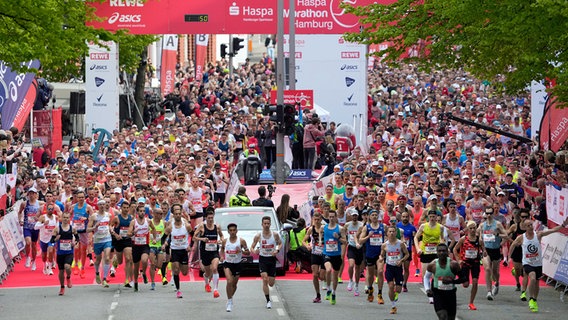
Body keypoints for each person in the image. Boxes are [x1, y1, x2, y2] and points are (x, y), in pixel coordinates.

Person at [509, 217, 568, 312]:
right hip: (527, 263)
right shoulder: (521, 238)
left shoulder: (538, 235)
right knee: (532, 277)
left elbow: (552, 230)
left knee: (536, 282)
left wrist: (563, 225)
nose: (530, 227)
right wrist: (509, 257)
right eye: (528, 226)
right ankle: (531, 298)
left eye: (531, 225)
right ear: (524, 227)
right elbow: (512, 245)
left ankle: (534, 300)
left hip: (538, 263)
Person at [251, 216, 283, 309]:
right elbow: (252, 247)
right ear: (262, 224)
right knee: (264, 279)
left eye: (268, 223)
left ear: (270, 224)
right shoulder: (258, 236)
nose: (266, 225)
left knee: (271, 283)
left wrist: (277, 250)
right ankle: (268, 300)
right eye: (264, 223)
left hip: (272, 259)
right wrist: (254, 251)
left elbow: (280, 243)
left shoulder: (275, 234)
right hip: (263, 259)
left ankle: (270, 285)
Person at [162, 203, 193, 298]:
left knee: (184, 272)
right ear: (174, 215)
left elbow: (194, 236)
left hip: (183, 250)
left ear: (181, 214)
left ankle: (179, 267)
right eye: (176, 214)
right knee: (175, 270)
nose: (178, 215)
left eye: (179, 213)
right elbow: (163, 237)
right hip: (174, 250)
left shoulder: (186, 225)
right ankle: (178, 290)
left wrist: (190, 246)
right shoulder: (170, 227)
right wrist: (163, 244)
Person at [414, 209, 445, 303]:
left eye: (433, 217)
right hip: (425, 252)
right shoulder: (423, 226)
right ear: (428, 217)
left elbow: (442, 239)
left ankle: (433, 294)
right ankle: (429, 293)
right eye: (430, 217)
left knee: (435, 274)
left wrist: (442, 249)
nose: (432, 218)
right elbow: (416, 237)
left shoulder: (440, 227)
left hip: (435, 253)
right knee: (425, 274)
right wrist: (418, 249)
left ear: (436, 217)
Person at [423, 243, 461, 320]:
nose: (441, 253)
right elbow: (426, 277)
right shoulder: (432, 265)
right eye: (439, 251)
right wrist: (427, 289)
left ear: (447, 252)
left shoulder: (453, 264)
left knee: (450, 318)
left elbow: (464, 279)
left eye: (443, 251)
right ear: (436, 252)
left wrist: (452, 281)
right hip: (438, 293)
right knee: (442, 317)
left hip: (450, 294)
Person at [478, 207, 508, 301]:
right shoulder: (483, 225)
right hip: (486, 250)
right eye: (487, 213)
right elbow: (479, 235)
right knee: (487, 269)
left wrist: (498, 236)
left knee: (495, 272)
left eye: (490, 213)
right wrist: (480, 239)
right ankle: (489, 291)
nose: (489, 215)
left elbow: (506, 236)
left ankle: (497, 283)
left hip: (495, 249)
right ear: (485, 214)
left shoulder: (497, 224)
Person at [194, 208, 224, 298]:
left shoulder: (217, 227)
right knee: (208, 273)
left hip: (214, 252)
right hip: (205, 252)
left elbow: (222, 236)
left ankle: (215, 290)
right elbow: (194, 237)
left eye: (212, 218)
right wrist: (202, 239)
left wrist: (221, 240)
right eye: (209, 218)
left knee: (214, 268)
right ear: (205, 218)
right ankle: (206, 282)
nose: (210, 220)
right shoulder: (201, 226)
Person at [380, 225, 410, 314]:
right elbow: (382, 255)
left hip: (398, 268)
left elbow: (407, 254)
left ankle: (395, 293)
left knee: (398, 290)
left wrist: (401, 260)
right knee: (390, 286)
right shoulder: (384, 245)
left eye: (393, 231)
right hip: (389, 267)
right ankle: (393, 306)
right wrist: (381, 258)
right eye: (390, 231)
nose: (392, 233)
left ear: (396, 233)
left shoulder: (400, 244)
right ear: (387, 233)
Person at [220, 222, 250, 312]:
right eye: (231, 230)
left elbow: (248, 252)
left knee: (234, 285)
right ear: (228, 231)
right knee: (229, 281)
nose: (232, 232)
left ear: (237, 231)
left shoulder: (241, 241)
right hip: (228, 263)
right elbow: (222, 249)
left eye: (234, 230)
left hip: (237, 264)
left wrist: (241, 251)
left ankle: (230, 297)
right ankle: (229, 301)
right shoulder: (225, 241)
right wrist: (221, 256)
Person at [453, 220, 483, 310]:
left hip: (475, 263)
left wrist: (484, 253)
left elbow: (483, 250)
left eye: (474, 228)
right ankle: (461, 280)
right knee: (466, 284)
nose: (473, 230)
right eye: (471, 228)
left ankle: (471, 302)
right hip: (465, 263)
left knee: (475, 282)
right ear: (468, 230)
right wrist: (458, 260)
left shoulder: (479, 240)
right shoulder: (463, 239)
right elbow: (455, 249)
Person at [128, 203, 157, 292]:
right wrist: (133, 232)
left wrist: (154, 238)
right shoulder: (133, 222)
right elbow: (128, 234)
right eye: (140, 211)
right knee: (136, 267)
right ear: (137, 212)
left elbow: (154, 229)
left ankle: (144, 273)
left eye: (143, 211)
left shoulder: (148, 221)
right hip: (136, 246)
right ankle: (136, 282)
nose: (142, 212)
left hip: (145, 245)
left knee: (144, 260)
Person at [358, 209, 385, 304]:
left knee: (380, 272)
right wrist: (368, 236)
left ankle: (380, 294)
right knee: (370, 275)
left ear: (378, 216)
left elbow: (386, 240)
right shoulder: (367, 227)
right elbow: (360, 240)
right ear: (369, 217)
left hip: (380, 254)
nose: (374, 216)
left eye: (375, 215)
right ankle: (370, 290)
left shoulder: (383, 227)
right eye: (372, 215)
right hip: (370, 254)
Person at [319, 210, 346, 305]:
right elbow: (320, 233)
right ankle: (328, 288)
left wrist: (338, 237)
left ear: (335, 217)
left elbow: (345, 242)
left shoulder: (340, 229)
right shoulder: (324, 227)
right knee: (328, 270)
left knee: (335, 276)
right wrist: (320, 241)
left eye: (332, 217)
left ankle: (333, 292)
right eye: (329, 217)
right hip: (327, 253)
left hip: (337, 255)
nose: (331, 218)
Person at [51, 211, 79, 296]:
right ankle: (62, 287)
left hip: (69, 252)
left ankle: (68, 277)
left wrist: (75, 243)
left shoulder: (72, 229)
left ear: (69, 219)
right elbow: (51, 241)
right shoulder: (57, 229)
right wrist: (56, 239)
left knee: (67, 266)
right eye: (64, 217)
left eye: (67, 218)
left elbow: (78, 238)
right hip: (60, 253)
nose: (66, 219)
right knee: (61, 271)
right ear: (61, 218)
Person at [87, 199, 113, 288]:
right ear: (98, 206)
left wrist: (111, 229)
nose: (102, 206)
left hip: (107, 239)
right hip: (97, 240)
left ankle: (105, 278)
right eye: (100, 204)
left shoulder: (108, 215)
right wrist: (95, 227)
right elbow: (88, 229)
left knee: (106, 257)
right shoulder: (94, 216)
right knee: (98, 260)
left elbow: (110, 225)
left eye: (103, 204)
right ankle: (97, 273)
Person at [303, 213, 327, 302]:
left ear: (321, 219)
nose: (316, 221)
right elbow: (303, 241)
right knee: (315, 274)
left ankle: (328, 282)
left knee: (322, 275)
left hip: (324, 253)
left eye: (318, 220)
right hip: (315, 253)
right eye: (315, 220)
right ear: (313, 219)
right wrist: (307, 246)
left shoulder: (325, 228)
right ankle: (318, 295)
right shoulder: (311, 229)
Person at [110, 201, 134, 287]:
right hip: (118, 241)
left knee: (128, 258)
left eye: (127, 208)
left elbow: (133, 229)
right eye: (124, 208)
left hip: (127, 240)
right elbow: (110, 227)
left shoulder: (131, 218)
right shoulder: (117, 218)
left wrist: (132, 233)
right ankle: (115, 261)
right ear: (121, 208)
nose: (126, 209)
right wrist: (115, 234)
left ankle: (127, 280)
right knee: (120, 262)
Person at [71, 190, 94, 278]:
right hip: (76, 231)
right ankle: (76, 265)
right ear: (76, 198)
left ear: (85, 198)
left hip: (84, 231)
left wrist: (87, 218)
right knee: (76, 248)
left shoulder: (88, 207)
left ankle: (83, 268)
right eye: (79, 197)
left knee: (83, 250)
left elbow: (93, 217)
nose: (81, 199)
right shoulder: (73, 207)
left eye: (82, 197)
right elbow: (69, 215)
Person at [18, 187, 42, 271]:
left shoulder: (40, 203)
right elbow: (20, 212)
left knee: (34, 245)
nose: (31, 195)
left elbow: (49, 207)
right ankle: (28, 257)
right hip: (27, 226)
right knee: (28, 242)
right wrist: (20, 220)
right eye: (30, 193)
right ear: (28, 194)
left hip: (35, 227)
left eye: (33, 193)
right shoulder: (24, 204)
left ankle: (34, 261)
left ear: (36, 195)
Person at [34, 202, 59, 275]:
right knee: (44, 255)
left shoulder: (55, 217)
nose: (50, 210)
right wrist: (43, 224)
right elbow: (35, 227)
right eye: (49, 209)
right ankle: (45, 265)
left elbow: (57, 228)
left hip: (51, 238)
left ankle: (50, 268)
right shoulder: (43, 217)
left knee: (51, 251)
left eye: (52, 209)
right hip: (43, 238)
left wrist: (57, 234)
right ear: (46, 209)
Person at [344, 210, 364, 296]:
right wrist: (345, 241)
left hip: (359, 247)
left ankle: (356, 285)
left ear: (357, 216)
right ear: (351, 216)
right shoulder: (347, 225)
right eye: (353, 216)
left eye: (356, 215)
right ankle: (350, 280)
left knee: (358, 267)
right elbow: (344, 233)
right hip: (351, 247)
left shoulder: (361, 225)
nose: (354, 217)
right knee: (351, 265)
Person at [396, 211, 417, 292]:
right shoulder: (398, 226)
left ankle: (404, 283)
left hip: (407, 251)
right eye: (403, 216)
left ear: (409, 217)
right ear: (401, 217)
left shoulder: (412, 227)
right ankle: (399, 282)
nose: (405, 218)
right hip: (399, 250)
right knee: (398, 267)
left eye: (406, 217)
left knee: (406, 268)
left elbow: (415, 238)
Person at [148, 209, 167, 290]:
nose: (161, 215)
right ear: (155, 214)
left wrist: (165, 243)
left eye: (162, 214)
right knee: (152, 264)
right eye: (160, 214)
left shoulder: (164, 223)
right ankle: (152, 282)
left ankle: (153, 265)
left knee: (159, 265)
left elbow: (167, 234)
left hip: (160, 246)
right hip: (151, 245)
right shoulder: (149, 222)